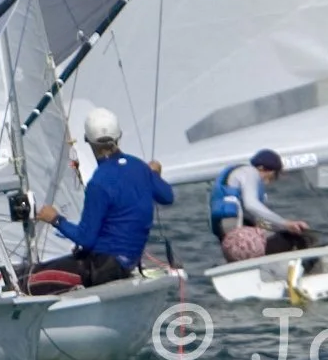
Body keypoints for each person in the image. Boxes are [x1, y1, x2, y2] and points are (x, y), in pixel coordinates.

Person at [28, 107, 174, 287]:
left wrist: (56, 219)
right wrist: (155, 176)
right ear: (118, 137)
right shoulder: (140, 167)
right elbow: (167, 197)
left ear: (87, 140)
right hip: (128, 262)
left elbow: (86, 238)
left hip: (103, 269)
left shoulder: (99, 182)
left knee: (27, 278)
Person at [209, 148, 313, 261]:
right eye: (273, 175)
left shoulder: (232, 185)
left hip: (230, 247)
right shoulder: (250, 172)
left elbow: (258, 222)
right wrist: (286, 223)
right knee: (301, 239)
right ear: (262, 168)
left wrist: (283, 227)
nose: (270, 181)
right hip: (244, 242)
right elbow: (251, 205)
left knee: (286, 234)